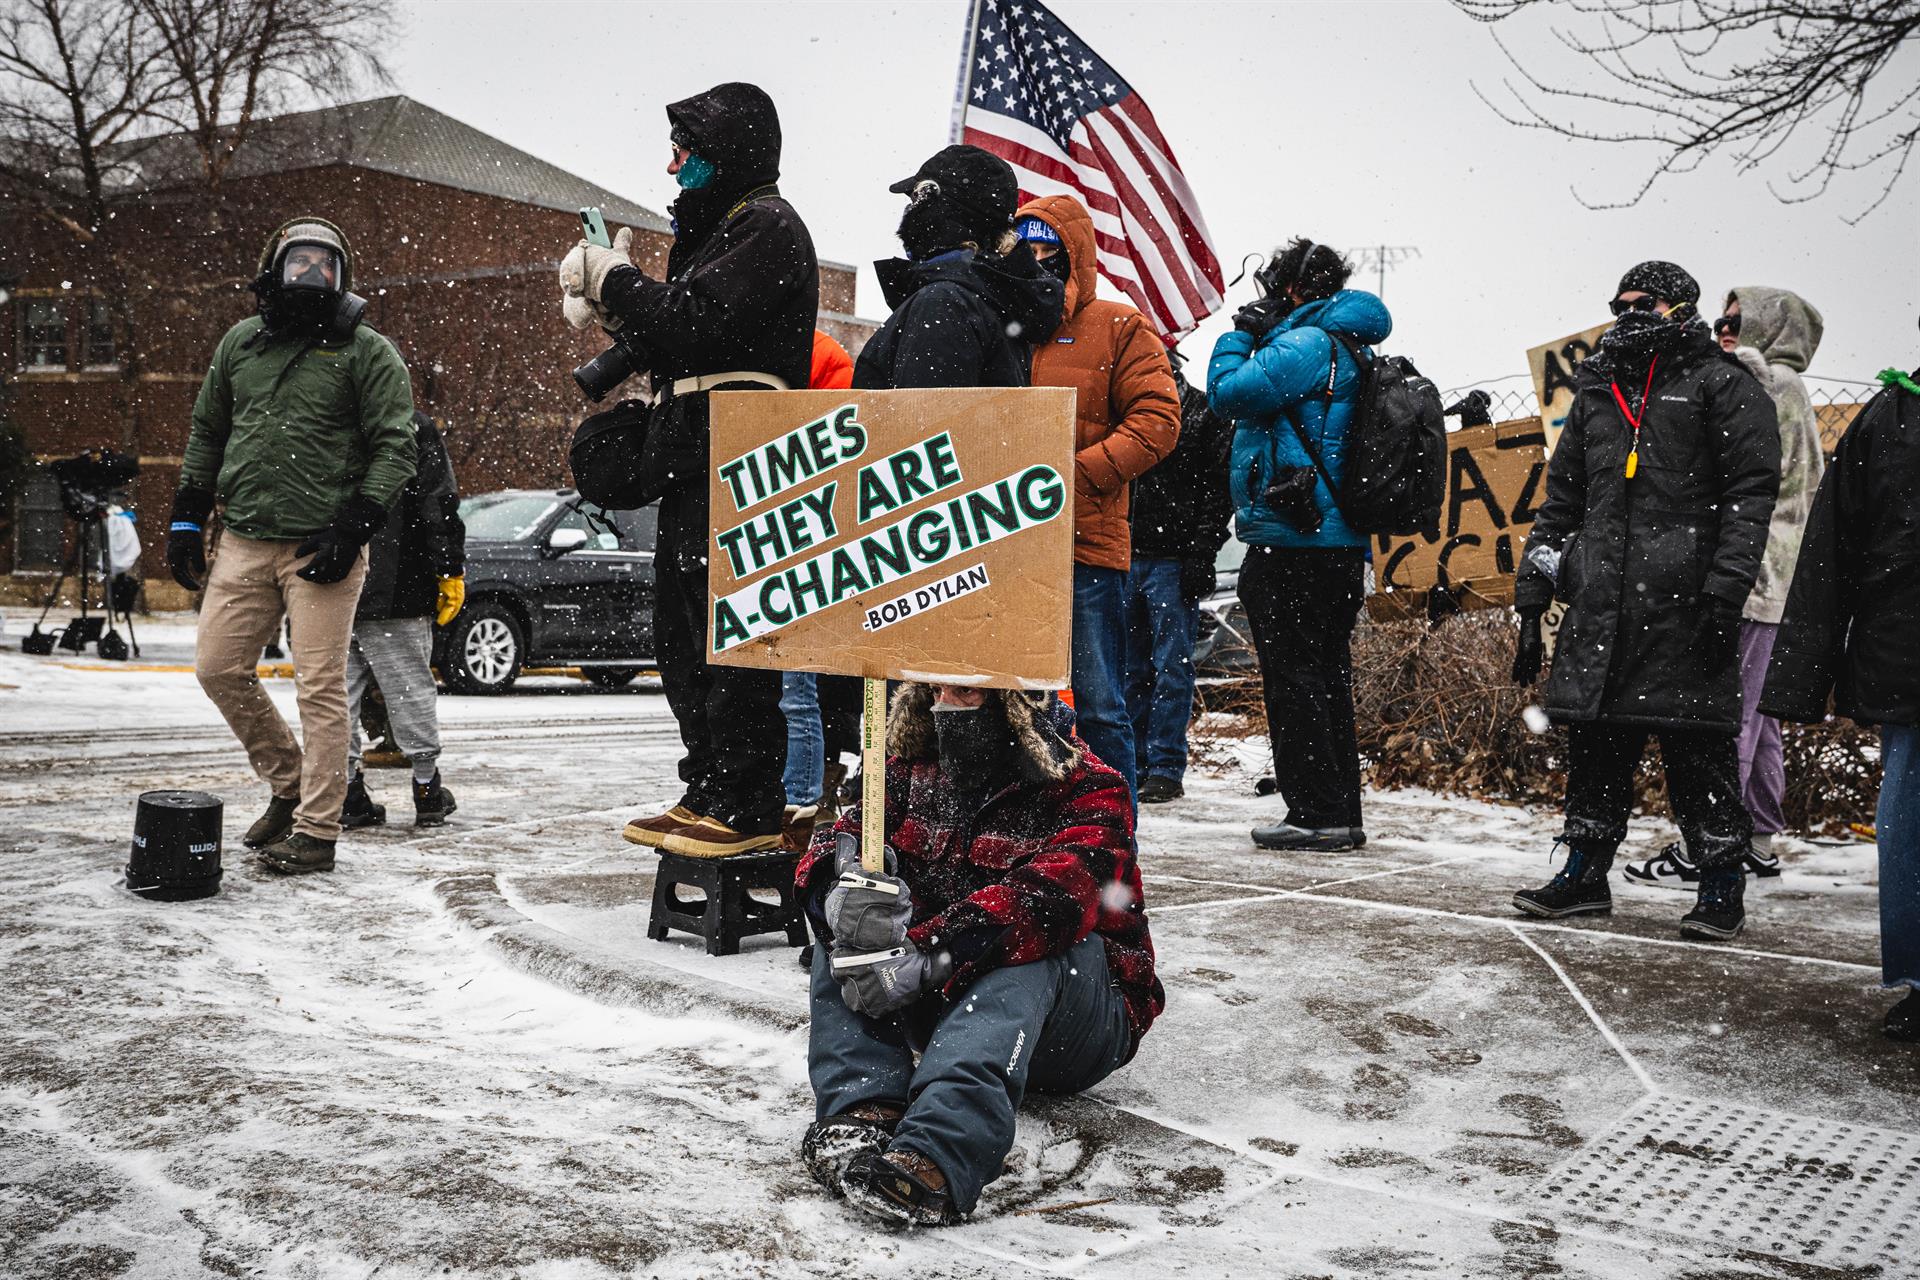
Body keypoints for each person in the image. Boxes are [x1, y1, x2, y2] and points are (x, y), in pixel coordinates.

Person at [561, 83, 818, 858]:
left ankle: (748, 802)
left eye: (686, 149)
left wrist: (618, 281)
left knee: (728, 637)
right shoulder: (721, 234)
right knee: (680, 634)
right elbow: (676, 336)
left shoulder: (768, 226)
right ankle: (708, 783)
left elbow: (699, 325)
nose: (672, 164)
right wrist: (617, 315)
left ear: (727, 151)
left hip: (739, 457)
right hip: (695, 452)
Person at [795, 682, 1163, 1224]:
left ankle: (940, 1151)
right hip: (935, 1001)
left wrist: (931, 949)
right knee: (850, 929)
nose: (946, 705)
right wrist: (838, 885)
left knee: (1028, 940)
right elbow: (835, 840)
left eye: (965, 691)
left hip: (1075, 1023)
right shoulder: (902, 772)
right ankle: (862, 1107)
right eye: (937, 689)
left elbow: (1053, 898)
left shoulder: (1089, 788)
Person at [1510, 260, 1778, 939]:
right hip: (1602, 602)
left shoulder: (1724, 386)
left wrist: (1724, 593)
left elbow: (1751, 500)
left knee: (1699, 754)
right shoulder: (1596, 391)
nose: (1629, 312)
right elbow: (1561, 500)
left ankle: (1721, 885)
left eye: (1644, 302)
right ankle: (1583, 875)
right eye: (1620, 302)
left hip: (1686, 605)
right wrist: (1533, 590)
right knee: (1597, 746)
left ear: (1680, 306)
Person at [168, 216, 416, 875]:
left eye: (325, 266)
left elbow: (398, 448)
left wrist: (355, 524)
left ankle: (317, 829)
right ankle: (288, 781)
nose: (310, 277)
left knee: (320, 686)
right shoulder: (240, 345)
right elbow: (206, 431)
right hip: (245, 539)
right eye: (298, 264)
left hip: (322, 546)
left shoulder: (367, 353)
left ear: (344, 276)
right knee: (218, 667)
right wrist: (187, 515)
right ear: (272, 268)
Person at [1625, 287, 1824, 888]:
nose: (1725, 330)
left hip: (1754, 572)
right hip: (1771, 572)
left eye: (1739, 321)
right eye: (1721, 320)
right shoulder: (1780, 386)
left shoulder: (1771, 386)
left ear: (1770, 326)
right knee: (1758, 717)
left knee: (1727, 714)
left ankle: (1713, 843)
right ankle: (1757, 838)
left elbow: (1769, 486)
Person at [1207, 239, 1388, 852]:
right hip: (1335, 542)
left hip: (1294, 538)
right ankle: (1339, 807)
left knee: (1295, 676)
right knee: (1326, 672)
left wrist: (1238, 336)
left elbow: (1227, 394)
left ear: (1287, 290)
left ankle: (1315, 811)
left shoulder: (1306, 344)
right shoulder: (1350, 344)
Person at [1762, 360, 1920, 1042]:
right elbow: (1833, 549)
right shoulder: (1891, 419)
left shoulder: (1890, 418)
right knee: (1911, 812)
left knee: (1911, 810)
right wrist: (1800, 674)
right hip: (1908, 654)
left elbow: (1832, 547)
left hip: (1905, 647)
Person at [1012, 197, 1181, 805]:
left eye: (1048, 252)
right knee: (1013, 705)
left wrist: (1077, 477)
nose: (1035, 263)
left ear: (1074, 255)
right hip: (1006, 547)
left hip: (1085, 545)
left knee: (1101, 704)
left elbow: (1160, 419)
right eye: (1024, 250)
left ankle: (1113, 848)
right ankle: (1032, 839)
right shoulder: (1001, 323)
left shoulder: (1119, 325)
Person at [339, 409, 466, 830]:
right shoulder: (408, 423)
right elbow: (438, 499)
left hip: (329, 576)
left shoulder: (315, 415)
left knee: (334, 696)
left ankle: (346, 791)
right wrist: (448, 567)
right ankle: (426, 788)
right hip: (399, 582)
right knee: (410, 687)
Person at [852, 144, 1062, 390]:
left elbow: (924, 423)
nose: (909, 212)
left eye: (916, 200)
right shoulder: (984, 298)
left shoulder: (944, 303)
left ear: (934, 210)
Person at [1125, 345, 1234, 803]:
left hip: (1170, 558)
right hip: (1129, 554)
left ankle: (1164, 765)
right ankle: (1136, 764)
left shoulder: (1203, 414)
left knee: (1169, 667)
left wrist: (1201, 554)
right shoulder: (1130, 410)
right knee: (1131, 669)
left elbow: (1217, 491)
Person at [781, 330, 857, 843]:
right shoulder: (817, 352)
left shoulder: (810, 353)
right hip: (805, 537)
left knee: (798, 692)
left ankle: (803, 807)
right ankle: (810, 801)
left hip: (808, 541)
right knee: (800, 692)